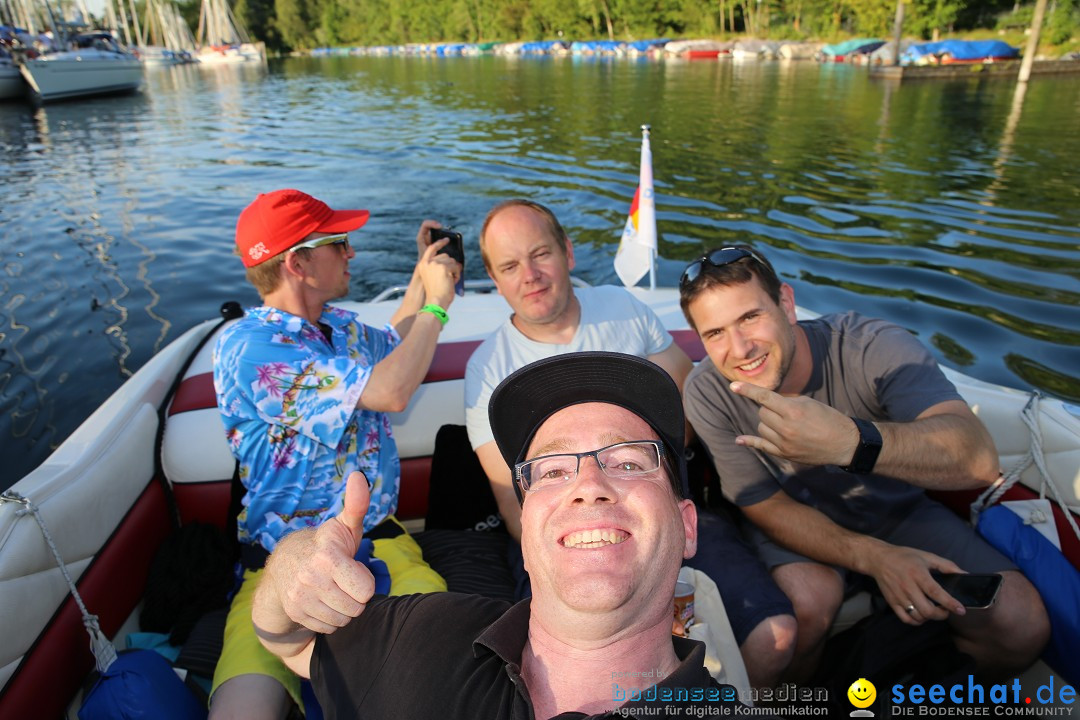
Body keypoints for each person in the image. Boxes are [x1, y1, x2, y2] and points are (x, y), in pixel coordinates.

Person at [250, 352, 749, 719]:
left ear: (687, 527)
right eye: (552, 471)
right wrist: (291, 566)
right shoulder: (420, 632)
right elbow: (289, 641)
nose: (589, 487)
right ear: (525, 529)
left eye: (627, 462)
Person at [463, 199, 797, 688]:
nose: (530, 276)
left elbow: (691, 404)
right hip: (565, 538)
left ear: (568, 253)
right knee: (594, 676)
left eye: (541, 254)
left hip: (663, 510)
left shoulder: (625, 309)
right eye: (510, 266)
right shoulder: (488, 368)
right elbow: (515, 509)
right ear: (495, 279)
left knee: (776, 635)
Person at [679, 245, 1051, 679]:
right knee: (806, 607)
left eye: (749, 317)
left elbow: (979, 460)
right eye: (715, 334)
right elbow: (763, 504)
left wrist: (851, 443)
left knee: (1022, 623)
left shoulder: (871, 348)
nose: (740, 349)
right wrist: (878, 559)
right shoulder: (708, 391)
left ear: (787, 302)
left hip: (899, 511)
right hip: (798, 518)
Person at [210, 188, 461, 718]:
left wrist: (422, 278)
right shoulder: (250, 346)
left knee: (446, 673)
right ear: (297, 263)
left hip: (380, 542)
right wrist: (437, 303)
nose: (352, 253)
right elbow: (390, 393)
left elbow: (396, 350)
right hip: (282, 562)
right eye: (339, 243)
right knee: (243, 708)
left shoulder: (341, 326)